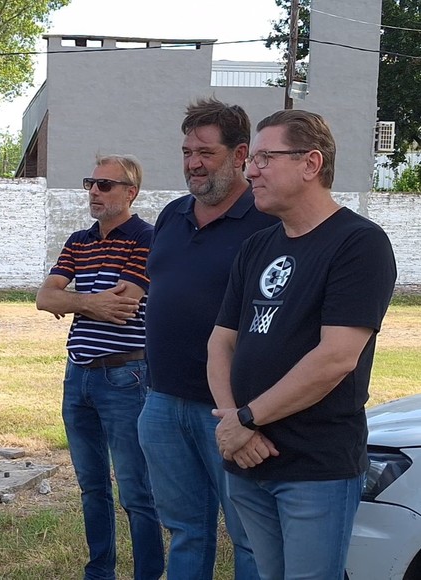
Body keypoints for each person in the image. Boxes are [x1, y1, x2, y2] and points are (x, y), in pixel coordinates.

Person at [208, 109, 397, 579]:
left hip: (315, 467)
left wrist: (246, 420)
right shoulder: (257, 246)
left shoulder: (359, 244)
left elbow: (336, 358)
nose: (250, 170)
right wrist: (236, 425)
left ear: (311, 164)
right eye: (252, 158)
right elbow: (219, 343)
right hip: (248, 460)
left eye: (266, 158)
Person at [137, 97, 278, 579]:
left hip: (230, 409)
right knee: (184, 529)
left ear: (241, 155)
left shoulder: (267, 223)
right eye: (186, 152)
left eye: (206, 152)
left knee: (250, 538)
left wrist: (247, 413)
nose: (193, 163)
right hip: (161, 400)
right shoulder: (173, 216)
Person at [36, 154, 164, 580]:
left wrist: (72, 301)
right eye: (91, 182)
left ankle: (147, 573)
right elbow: (44, 297)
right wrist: (90, 303)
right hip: (78, 375)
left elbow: (124, 305)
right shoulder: (79, 240)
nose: (94, 190)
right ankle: (100, 572)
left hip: (126, 376)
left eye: (106, 185)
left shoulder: (147, 238)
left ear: (131, 192)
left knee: (136, 491)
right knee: (92, 487)